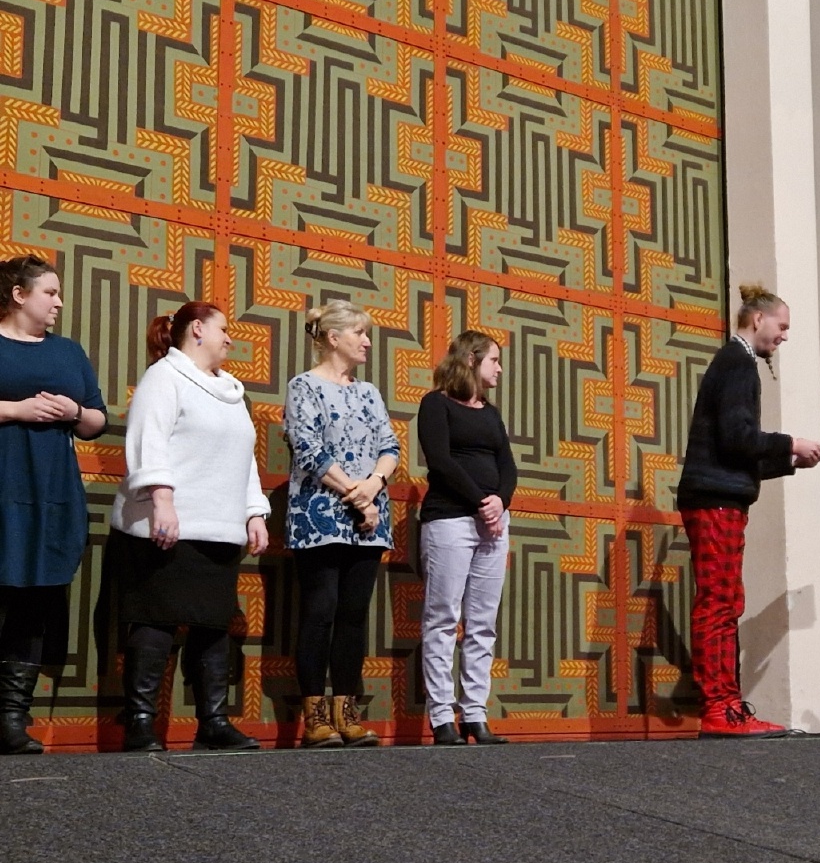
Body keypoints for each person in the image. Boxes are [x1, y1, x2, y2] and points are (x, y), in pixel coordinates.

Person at [107, 301, 270, 752]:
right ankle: (140, 723)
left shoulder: (231, 391)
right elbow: (149, 441)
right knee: (155, 619)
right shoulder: (165, 377)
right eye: (223, 329)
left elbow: (244, 459)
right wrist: (162, 501)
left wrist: (254, 512)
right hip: (168, 527)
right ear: (197, 329)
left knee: (213, 624)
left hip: (219, 529)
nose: (230, 338)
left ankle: (212, 722)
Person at [677, 283, 820, 739]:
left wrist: (790, 461)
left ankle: (725, 705)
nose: (784, 336)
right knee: (719, 603)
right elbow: (738, 438)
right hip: (715, 501)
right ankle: (719, 708)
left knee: (725, 601)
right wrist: (791, 443)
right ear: (758, 319)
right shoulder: (739, 362)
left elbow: (735, 451)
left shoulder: (736, 362)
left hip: (719, 496)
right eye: (782, 326)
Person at [0, 255, 107, 754]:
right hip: (5, 481)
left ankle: (10, 720)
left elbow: (97, 420)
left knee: (34, 599)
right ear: (19, 295)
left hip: (50, 490)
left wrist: (75, 410)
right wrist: (15, 409)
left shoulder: (67, 352)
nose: (59, 302)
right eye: (49, 292)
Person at [285, 300, 398, 749]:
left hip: (369, 519)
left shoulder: (369, 392)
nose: (367, 342)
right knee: (320, 612)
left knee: (353, 616)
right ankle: (315, 718)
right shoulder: (304, 386)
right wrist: (356, 492)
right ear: (333, 338)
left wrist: (373, 486)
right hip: (320, 515)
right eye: (359, 333)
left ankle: (347, 714)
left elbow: (389, 446)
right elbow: (308, 449)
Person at [418, 330, 516, 746]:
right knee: (443, 619)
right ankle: (442, 716)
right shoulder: (435, 404)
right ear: (472, 360)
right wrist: (480, 502)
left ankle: (474, 713)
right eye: (494, 360)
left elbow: (507, 465)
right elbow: (440, 462)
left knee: (482, 624)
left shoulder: (490, 413)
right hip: (450, 521)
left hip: (493, 525)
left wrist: (500, 502)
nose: (499, 369)